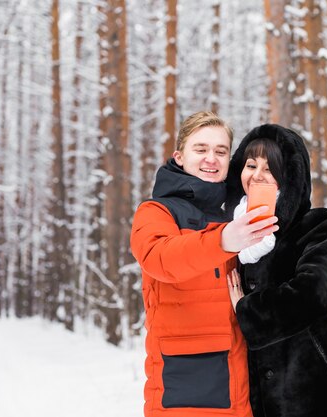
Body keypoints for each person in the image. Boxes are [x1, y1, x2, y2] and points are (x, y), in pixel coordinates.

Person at [130, 111, 278, 417]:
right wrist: (223, 242)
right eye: (201, 149)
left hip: (243, 387)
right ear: (180, 156)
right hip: (188, 388)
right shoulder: (156, 212)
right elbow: (161, 258)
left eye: (220, 151)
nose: (211, 158)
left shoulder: (233, 216)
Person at [225, 124, 327, 417]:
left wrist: (248, 309)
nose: (257, 175)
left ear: (289, 177)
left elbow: (311, 292)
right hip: (263, 402)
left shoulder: (316, 225)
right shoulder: (231, 237)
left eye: (270, 169)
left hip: (320, 392)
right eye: (251, 164)